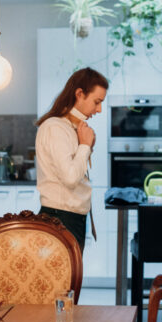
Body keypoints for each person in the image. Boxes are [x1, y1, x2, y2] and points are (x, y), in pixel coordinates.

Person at [35, 67, 108, 251]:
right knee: (63, 280)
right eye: (97, 102)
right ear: (79, 94)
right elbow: (70, 178)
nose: (99, 109)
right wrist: (84, 146)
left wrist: (87, 146)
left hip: (71, 218)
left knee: (70, 279)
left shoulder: (70, 128)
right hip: (60, 219)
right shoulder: (55, 128)